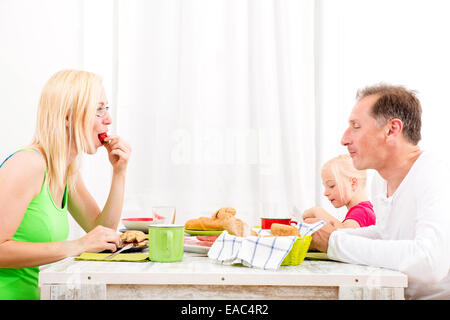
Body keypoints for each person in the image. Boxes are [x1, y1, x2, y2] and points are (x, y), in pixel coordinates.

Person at [307, 84, 450, 299]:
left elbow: (430, 263)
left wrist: (335, 242)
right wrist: (326, 236)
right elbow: (386, 235)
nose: (344, 139)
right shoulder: (380, 181)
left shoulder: (436, 174)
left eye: (355, 126)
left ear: (392, 130)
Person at [0, 69, 132, 300]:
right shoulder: (27, 164)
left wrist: (119, 173)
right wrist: (76, 246)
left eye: (106, 109)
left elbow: (103, 233)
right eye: (98, 110)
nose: (108, 119)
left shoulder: (66, 171)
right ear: (67, 117)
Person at [302, 154, 375, 229]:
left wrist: (317, 211)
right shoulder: (363, 211)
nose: (325, 193)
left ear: (353, 183)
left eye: (331, 185)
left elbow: (341, 236)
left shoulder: (361, 212)